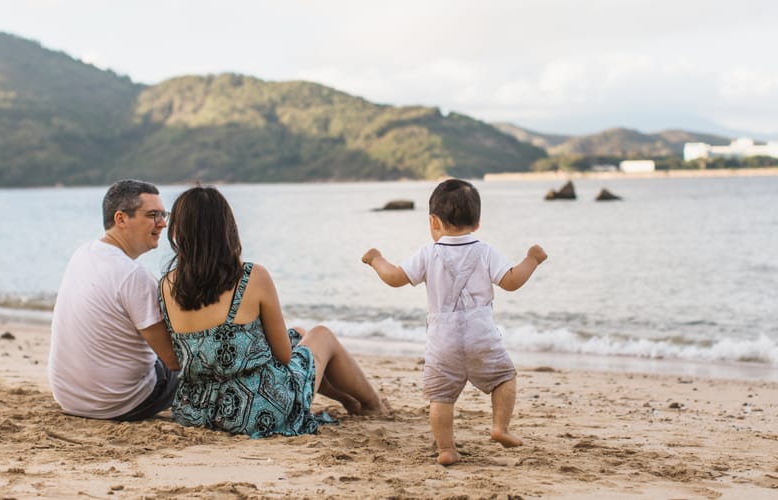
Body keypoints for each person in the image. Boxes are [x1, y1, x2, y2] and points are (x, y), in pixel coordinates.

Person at [158, 185, 389, 438]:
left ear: (178, 232)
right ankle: (372, 405)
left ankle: (348, 400)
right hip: (257, 409)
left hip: (196, 409)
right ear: (227, 229)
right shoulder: (252, 276)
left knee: (301, 334)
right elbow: (283, 355)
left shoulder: (167, 285)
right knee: (321, 335)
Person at [362, 178, 547, 465]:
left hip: (442, 341)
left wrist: (376, 259)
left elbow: (396, 278)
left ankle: (446, 449)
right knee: (504, 379)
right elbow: (511, 282)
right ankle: (500, 427)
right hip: (481, 337)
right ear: (477, 223)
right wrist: (532, 260)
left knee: (441, 397)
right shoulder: (485, 251)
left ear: (434, 221)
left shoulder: (428, 253)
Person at [49, 179, 180, 421]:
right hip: (120, 403)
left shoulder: (83, 253)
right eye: (153, 215)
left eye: (163, 214)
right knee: (188, 365)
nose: (162, 223)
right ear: (121, 219)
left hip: (69, 398)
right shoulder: (134, 276)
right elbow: (172, 359)